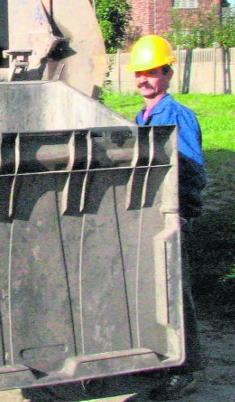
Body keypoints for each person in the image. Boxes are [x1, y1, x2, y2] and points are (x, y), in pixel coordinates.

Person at [127, 34, 207, 401]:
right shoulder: (141, 116)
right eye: (139, 73)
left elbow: (191, 171)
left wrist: (185, 215)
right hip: (148, 216)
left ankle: (186, 371)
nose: (145, 80)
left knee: (176, 293)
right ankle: (159, 361)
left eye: (152, 73)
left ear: (168, 74)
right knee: (154, 292)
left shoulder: (176, 116)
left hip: (171, 218)